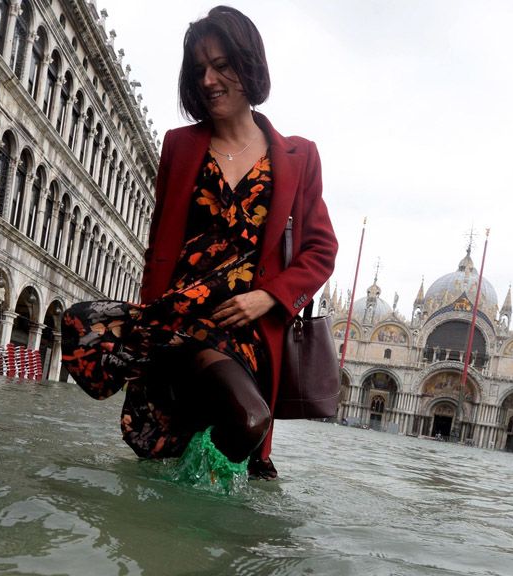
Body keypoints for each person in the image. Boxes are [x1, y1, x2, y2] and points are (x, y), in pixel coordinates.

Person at [132, 6, 337, 486]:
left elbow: (321, 249)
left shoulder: (299, 155)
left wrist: (269, 297)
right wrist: (148, 325)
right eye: (199, 69)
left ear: (249, 65)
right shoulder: (179, 146)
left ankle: (201, 509)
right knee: (234, 424)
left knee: (244, 428)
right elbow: (160, 245)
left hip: (251, 328)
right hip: (183, 322)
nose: (208, 80)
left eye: (222, 66)